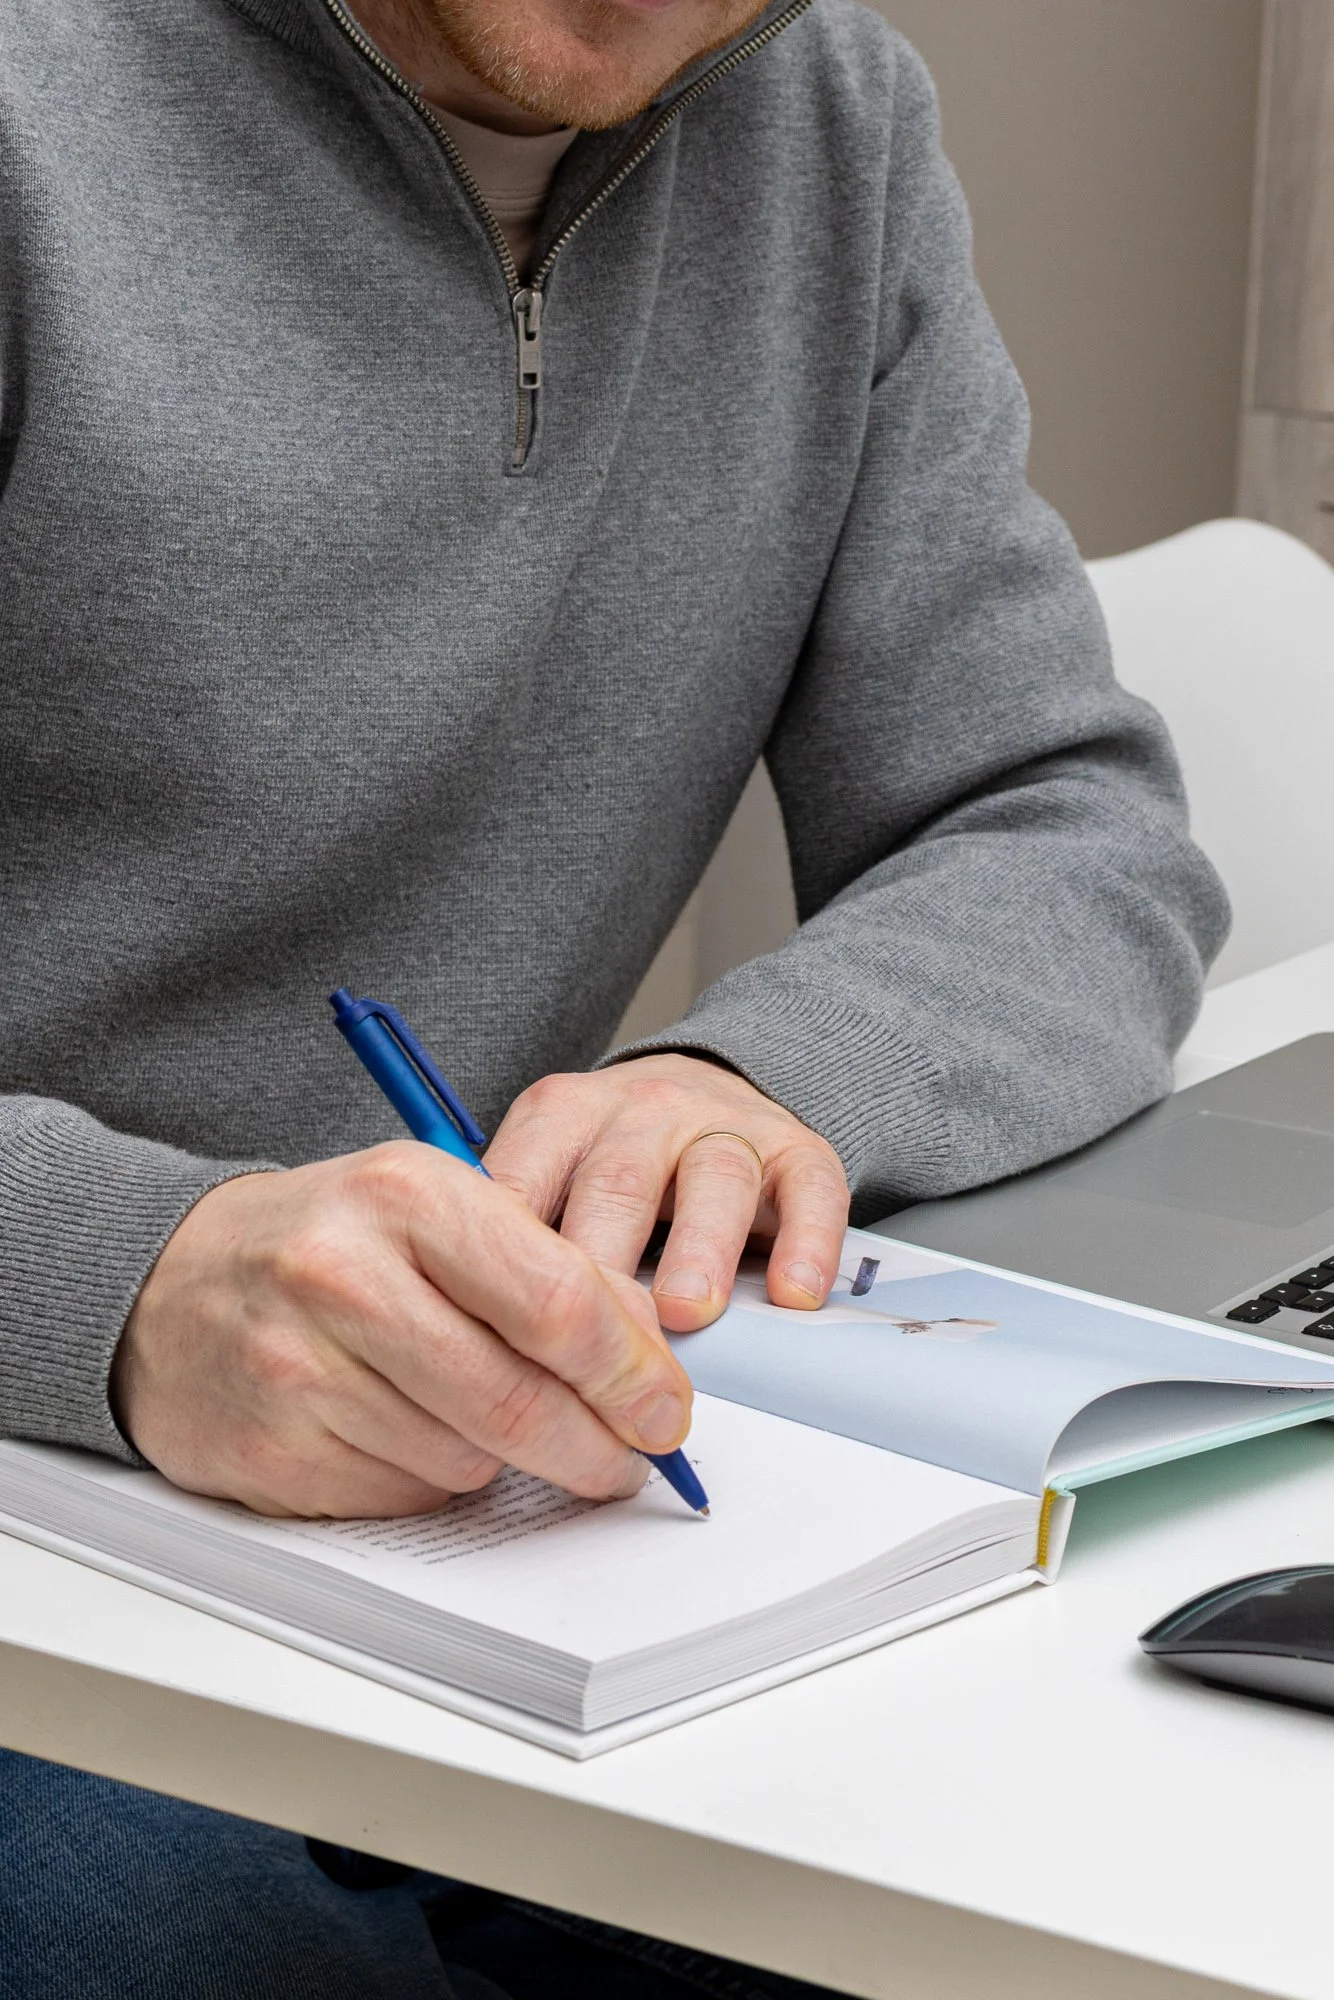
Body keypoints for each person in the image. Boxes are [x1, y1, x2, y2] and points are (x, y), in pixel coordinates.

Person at [0, 0, 1228, 1986]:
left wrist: (755, 1074)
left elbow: (1063, 826)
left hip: (493, 1504)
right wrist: (127, 1279)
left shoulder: (830, 127)